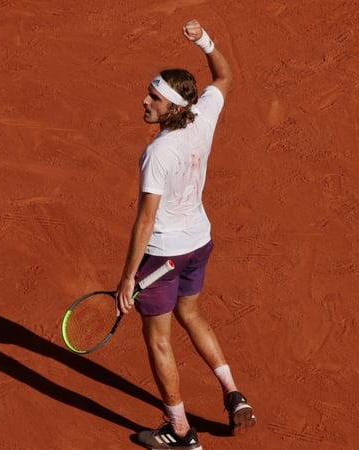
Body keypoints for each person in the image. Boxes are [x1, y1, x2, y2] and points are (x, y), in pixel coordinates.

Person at [114, 19, 256, 449]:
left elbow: (145, 221)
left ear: (173, 108)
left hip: (163, 256)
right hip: (199, 243)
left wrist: (128, 277)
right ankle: (234, 394)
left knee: (159, 339)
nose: (145, 101)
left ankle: (180, 432)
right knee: (190, 312)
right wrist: (205, 41)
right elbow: (225, 76)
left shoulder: (157, 153)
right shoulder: (202, 116)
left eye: (154, 98)